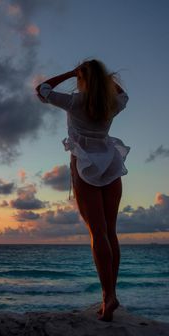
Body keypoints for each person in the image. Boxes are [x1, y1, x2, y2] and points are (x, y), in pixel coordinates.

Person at [35, 59, 129, 322]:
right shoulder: (112, 103)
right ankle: (111, 293)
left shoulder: (75, 102)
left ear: (82, 77)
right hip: (110, 161)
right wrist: (105, 79)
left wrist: (68, 73)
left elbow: (42, 90)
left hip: (85, 164)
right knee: (110, 231)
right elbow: (124, 95)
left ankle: (107, 296)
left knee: (97, 233)